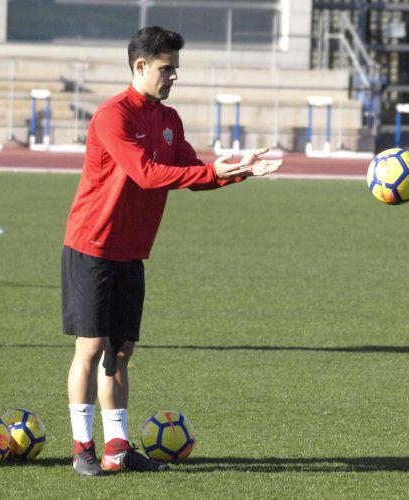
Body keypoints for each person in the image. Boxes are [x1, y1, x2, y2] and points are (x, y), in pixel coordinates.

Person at [62, 26, 281, 476]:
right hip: (93, 245)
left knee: (121, 352)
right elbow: (146, 173)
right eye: (167, 68)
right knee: (90, 347)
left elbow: (191, 170)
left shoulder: (168, 119)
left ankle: (117, 449)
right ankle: (82, 447)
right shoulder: (112, 116)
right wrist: (213, 172)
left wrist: (237, 171)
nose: (173, 77)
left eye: (176, 69)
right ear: (140, 66)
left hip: (131, 251)